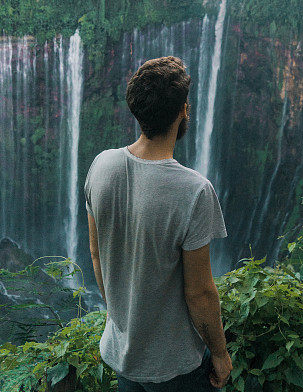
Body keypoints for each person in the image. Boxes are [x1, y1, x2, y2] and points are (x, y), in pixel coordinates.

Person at [84, 55, 233, 391]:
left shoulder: (100, 167)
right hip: (177, 366)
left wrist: (124, 317)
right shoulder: (194, 191)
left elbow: (96, 256)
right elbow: (200, 293)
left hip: (123, 354)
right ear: (183, 110)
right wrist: (221, 354)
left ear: (137, 110)